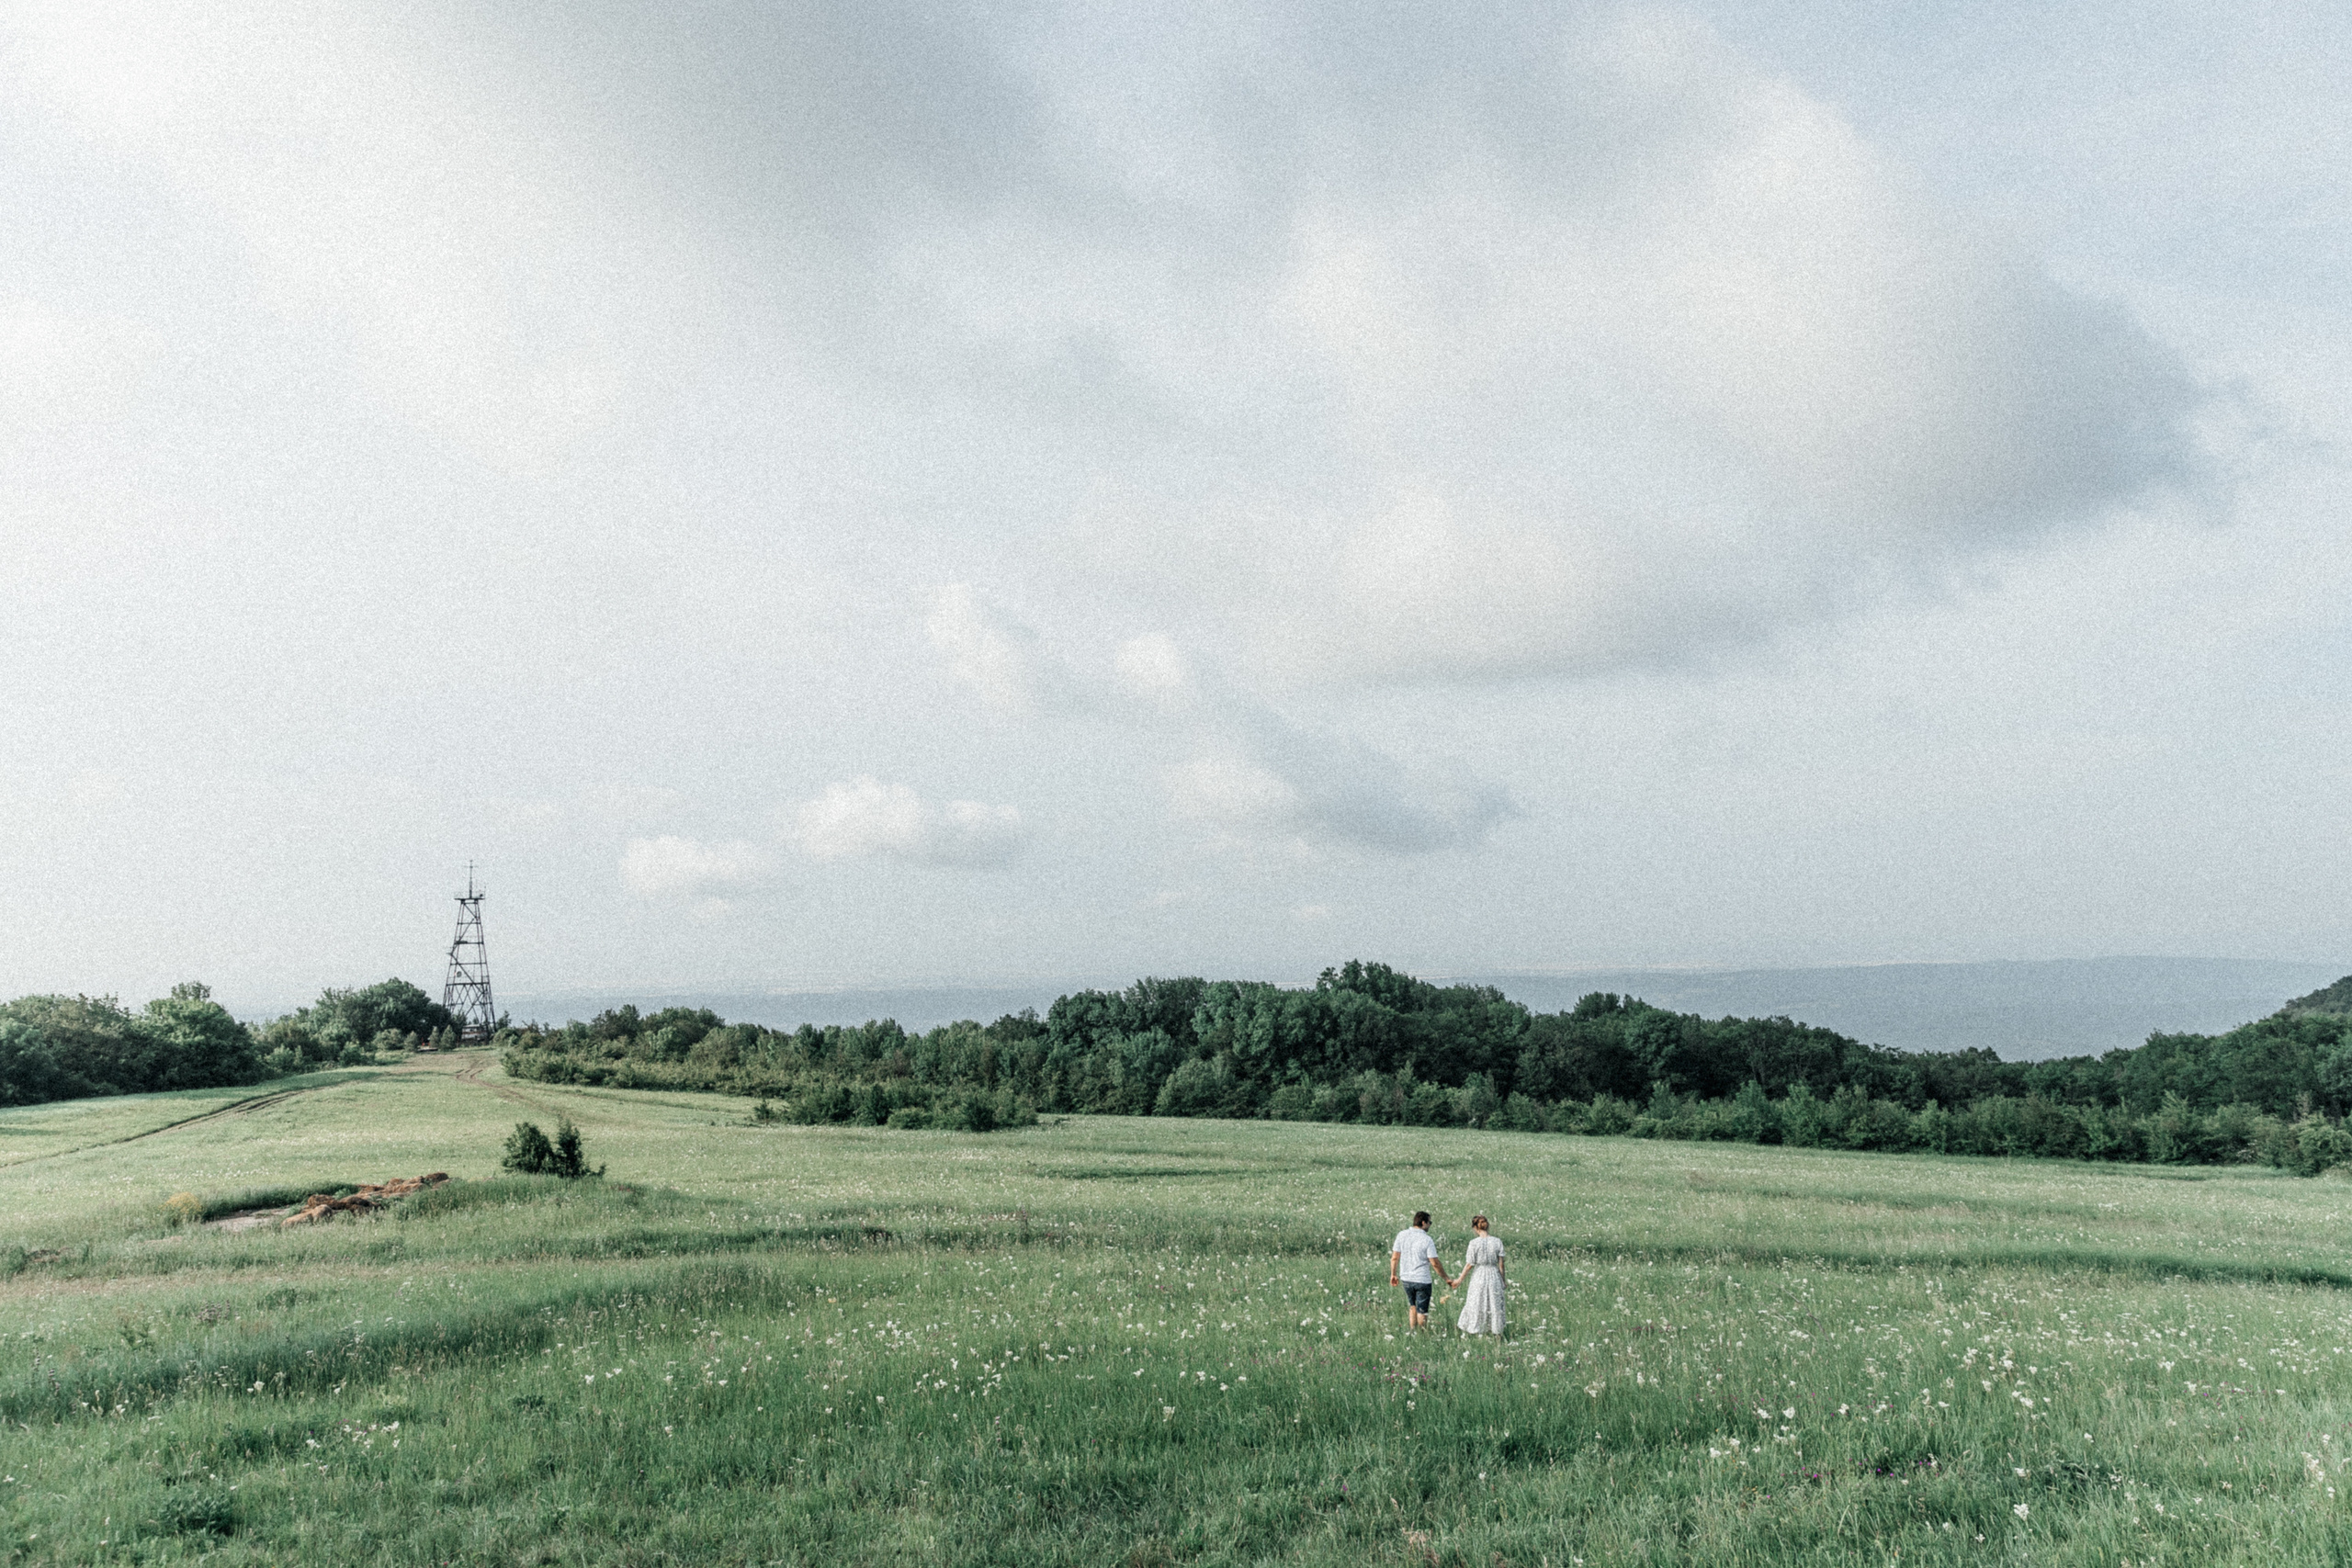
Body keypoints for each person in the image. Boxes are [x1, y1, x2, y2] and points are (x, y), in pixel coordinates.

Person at [1389, 1210, 1451, 1330]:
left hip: (1406, 1278)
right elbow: (1435, 1263)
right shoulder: (1427, 1240)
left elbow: (1395, 1257)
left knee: (1412, 1306)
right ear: (1423, 1223)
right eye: (1429, 1222)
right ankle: (1422, 1333)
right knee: (1422, 1309)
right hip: (1422, 1279)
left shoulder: (1402, 1235)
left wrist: (1393, 1274)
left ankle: (1413, 1332)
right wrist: (1446, 1278)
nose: (1430, 1225)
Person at [1453, 1214, 1506, 1337]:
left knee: (1477, 1302)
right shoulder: (1497, 1241)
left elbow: (1469, 1264)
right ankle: (1495, 1332)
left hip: (1479, 1275)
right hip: (1494, 1275)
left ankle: (1477, 1330)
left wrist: (1460, 1279)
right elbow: (1501, 1265)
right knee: (1494, 1303)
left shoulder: (1473, 1243)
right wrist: (1503, 1281)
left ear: (1475, 1228)